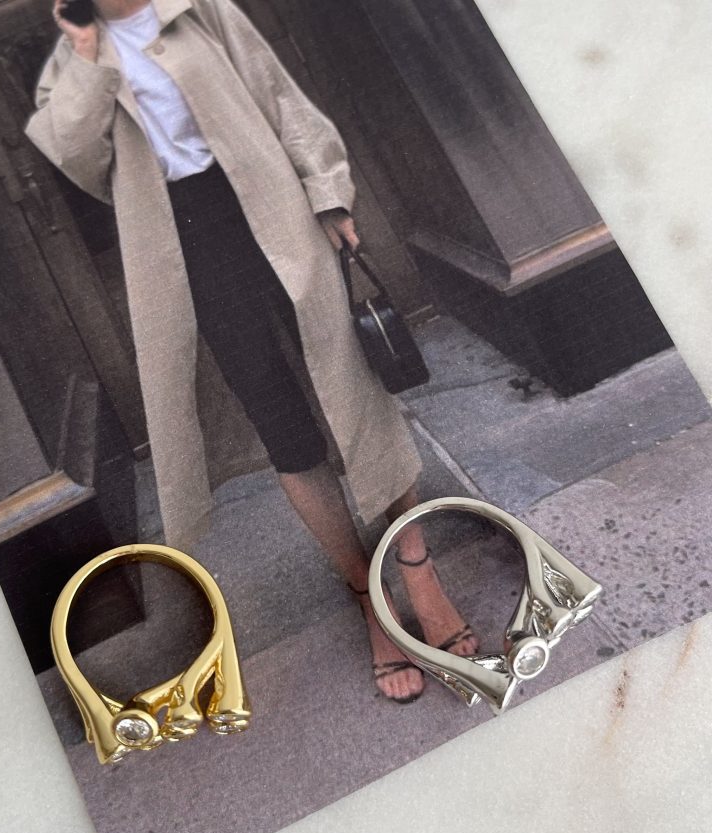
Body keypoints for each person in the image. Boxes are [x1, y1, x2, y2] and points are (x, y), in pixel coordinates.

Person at [25, 0, 479, 702]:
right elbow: (82, 163)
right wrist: (87, 56)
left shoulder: (198, 9)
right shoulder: (71, 61)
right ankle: (367, 594)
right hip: (186, 247)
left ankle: (418, 569)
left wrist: (329, 191)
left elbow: (279, 96)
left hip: (273, 209)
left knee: (353, 385)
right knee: (278, 418)